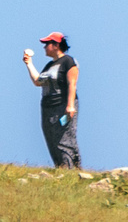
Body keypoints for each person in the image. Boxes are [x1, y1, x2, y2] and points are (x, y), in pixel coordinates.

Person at [24, 33, 80, 169]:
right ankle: (61, 169)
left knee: (65, 139)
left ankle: (72, 170)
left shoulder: (68, 61)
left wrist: (70, 106)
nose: (44, 47)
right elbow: (38, 81)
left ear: (56, 45)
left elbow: (72, 83)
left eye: (47, 44)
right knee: (51, 139)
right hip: (47, 108)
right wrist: (29, 64)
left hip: (63, 105)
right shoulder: (49, 65)